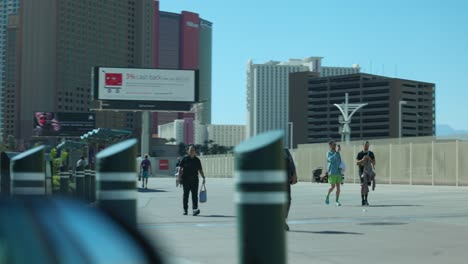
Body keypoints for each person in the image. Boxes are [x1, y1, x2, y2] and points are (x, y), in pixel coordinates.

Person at [178, 145, 205, 216]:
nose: (191, 151)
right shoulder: (184, 158)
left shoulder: (197, 160)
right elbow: (180, 169)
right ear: (188, 151)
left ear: (195, 151)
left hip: (195, 180)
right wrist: (179, 178)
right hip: (185, 180)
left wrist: (203, 177)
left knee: (194, 195)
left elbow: (200, 170)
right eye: (190, 150)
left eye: (193, 150)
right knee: (185, 195)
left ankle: (194, 209)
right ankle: (185, 210)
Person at [356, 141, 376, 206]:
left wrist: (369, 158)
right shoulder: (360, 154)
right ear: (363, 145)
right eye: (365, 145)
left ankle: (366, 199)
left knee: (367, 186)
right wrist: (362, 159)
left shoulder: (371, 153)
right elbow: (357, 163)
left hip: (368, 172)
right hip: (361, 171)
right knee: (362, 185)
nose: (366, 146)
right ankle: (362, 200)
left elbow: (374, 163)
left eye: (367, 145)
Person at [284, 148, 298, 231]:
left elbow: (291, 163)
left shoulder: (285, 150)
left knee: (288, 200)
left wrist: (294, 175)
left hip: (285, 179)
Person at [325, 140, 342, 206]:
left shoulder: (337, 153)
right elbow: (330, 159)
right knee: (332, 187)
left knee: (338, 187)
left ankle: (337, 201)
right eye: (334, 145)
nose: (335, 146)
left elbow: (340, 160)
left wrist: (341, 167)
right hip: (332, 172)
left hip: (338, 172)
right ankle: (327, 196)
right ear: (330, 145)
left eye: (335, 145)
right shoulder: (328, 153)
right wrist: (336, 152)